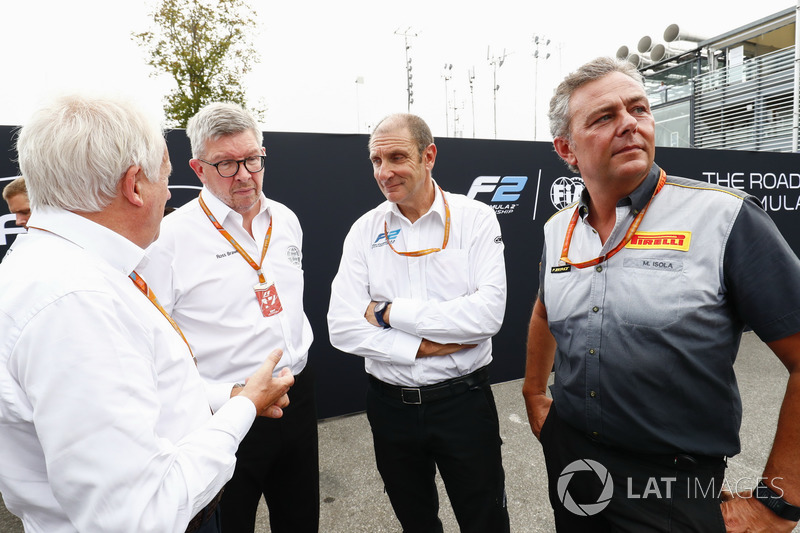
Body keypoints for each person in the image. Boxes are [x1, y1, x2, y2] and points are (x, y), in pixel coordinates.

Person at [522, 56, 800, 533]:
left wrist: (780, 502)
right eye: (605, 117)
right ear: (566, 148)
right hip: (573, 463)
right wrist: (533, 393)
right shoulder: (558, 230)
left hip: (673, 485)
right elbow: (546, 311)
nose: (629, 124)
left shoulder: (726, 219)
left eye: (639, 109)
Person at [0, 95, 295, 533]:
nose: (169, 194)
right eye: (166, 178)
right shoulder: (76, 301)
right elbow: (139, 516)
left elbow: (148, 391)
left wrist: (226, 398)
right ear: (134, 185)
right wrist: (244, 407)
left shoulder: (66, 269)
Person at [140, 102, 318, 533]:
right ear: (198, 168)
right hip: (224, 411)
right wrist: (229, 396)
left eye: (252, 159)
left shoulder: (286, 220)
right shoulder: (169, 240)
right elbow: (152, 349)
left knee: (300, 521)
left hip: (296, 395)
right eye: (225, 164)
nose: (244, 174)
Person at [327, 113, 511, 532]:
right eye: (376, 160)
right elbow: (341, 325)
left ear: (429, 156)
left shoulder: (475, 219)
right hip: (390, 408)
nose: (384, 171)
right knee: (416, 522)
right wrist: (420, 346)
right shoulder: (364, 230)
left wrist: (390, 313)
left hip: (463, 403)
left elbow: (487, 315)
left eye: (396, 156)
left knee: (486, 520)